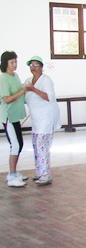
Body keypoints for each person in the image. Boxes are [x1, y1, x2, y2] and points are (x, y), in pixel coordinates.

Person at [24, 55, 61, 186]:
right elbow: (23, 96)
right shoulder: (28, 80)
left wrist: (33, 89)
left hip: (46, 118)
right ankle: (40, 171)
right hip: (36, 120)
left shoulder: (46, 80)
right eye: (31, 65)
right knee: (36, 145)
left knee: (42, 146)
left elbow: (48, 97)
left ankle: (46, 174)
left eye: (36, 65)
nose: (34, 68)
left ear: (42, 67)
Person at [0, 51, 28, 187]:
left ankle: (14, 172)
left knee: (20, 144)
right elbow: (7, 99)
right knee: (15, 145)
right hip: (8, 117)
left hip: (16, 116)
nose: (15, 64)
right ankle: (11, 176)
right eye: (12, 62)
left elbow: (18, 90)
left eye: (16, 61)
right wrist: (23, 91)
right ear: (5, 63)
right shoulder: (3, 78)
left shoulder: (15, 75)